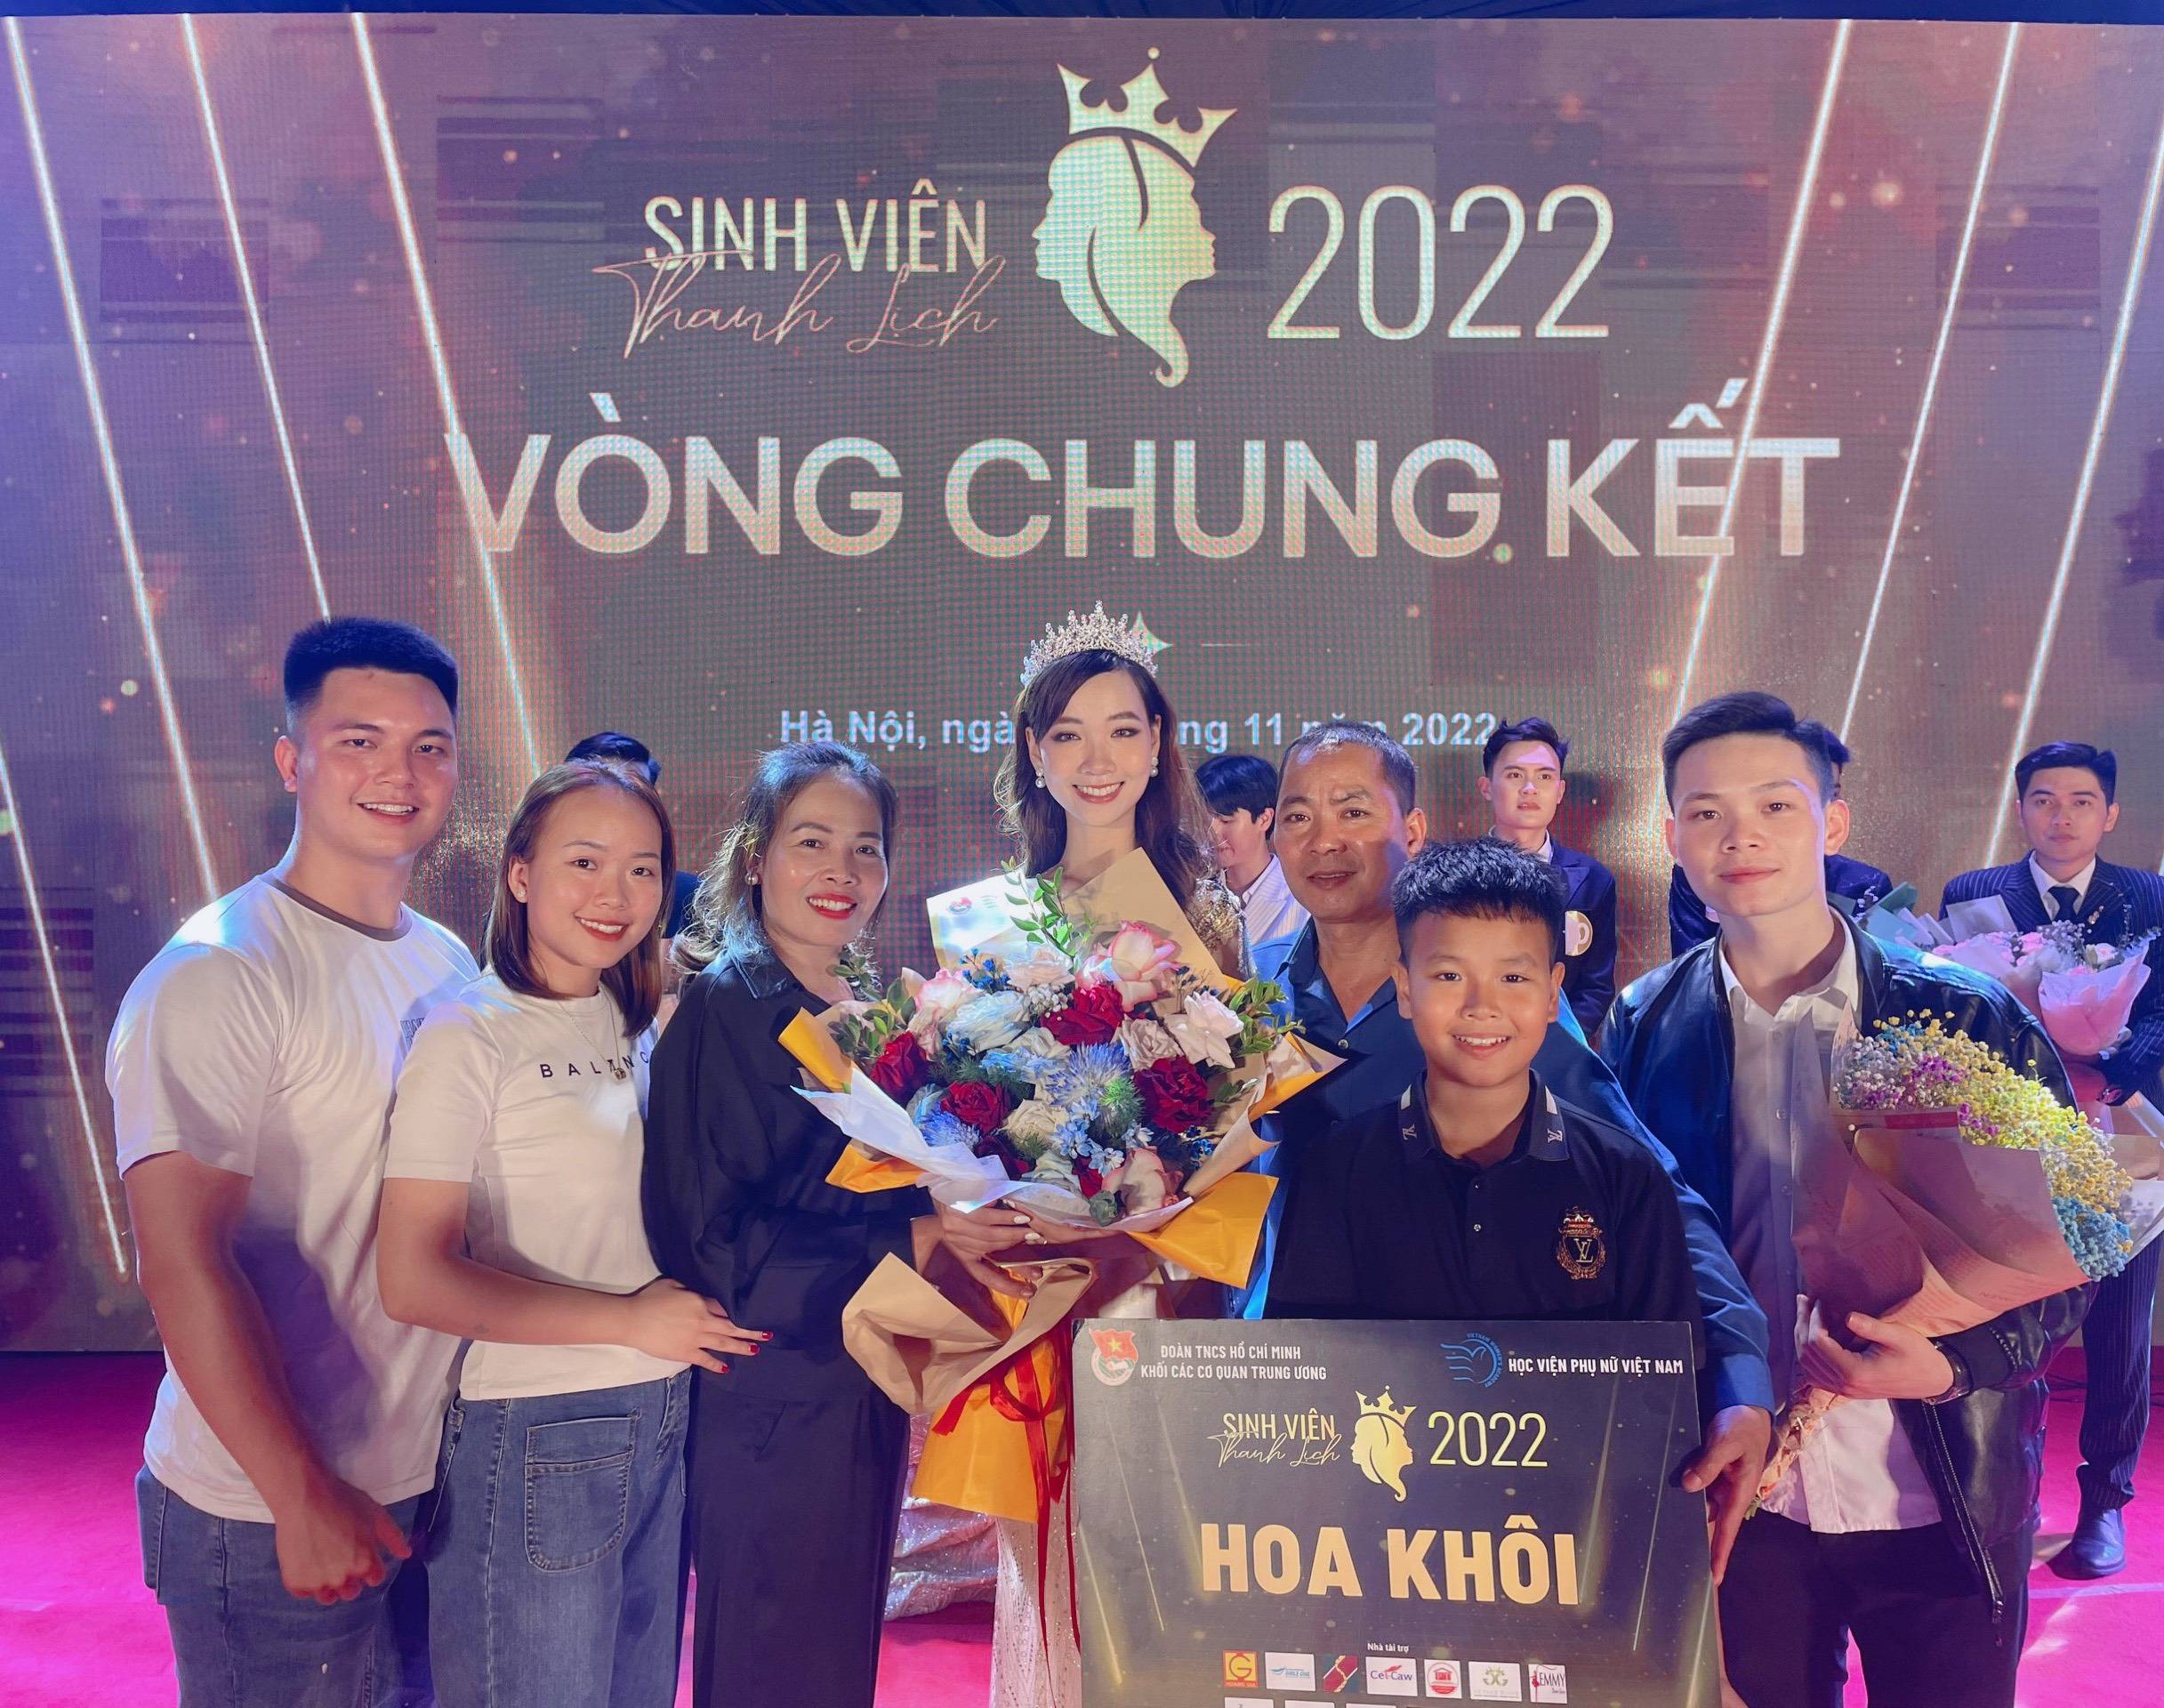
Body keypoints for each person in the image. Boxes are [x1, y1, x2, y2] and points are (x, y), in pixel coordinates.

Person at [1601, 691, 2090, 1708]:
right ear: (1673, 839)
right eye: (1707, 813)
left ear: (1832, 821)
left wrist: (1950, 1366)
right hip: (1744, 1499)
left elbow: (2078, 1241)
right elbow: (1636, 1251)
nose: (1741, 837)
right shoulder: (1643, 1025)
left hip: (1939, 1493)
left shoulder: (1964, 1017)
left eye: (1775, 806)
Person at [1238, 718, 1774, 1582]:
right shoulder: (1248, 992)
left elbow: (1653, 1197)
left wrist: (1739, 1381)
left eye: (1352, 811)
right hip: (1285, 1402)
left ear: (1412, 829)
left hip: (1465, 1421)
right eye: (1298, 816)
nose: (1323, 840)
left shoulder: (1492, 1015)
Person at [107, 618, 474, 1707]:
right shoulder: (220, 973)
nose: (399, 774)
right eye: (359, 742)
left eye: (429, 747)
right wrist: (298, 1490)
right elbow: (181, 1260)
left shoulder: (446, 961)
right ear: (291, 760)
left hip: (420, 1483)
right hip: (262, 1505)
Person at [640, 742, 1026, 1708]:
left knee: (833, 1660)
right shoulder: (727, 1008)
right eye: (811, 842)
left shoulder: (864, 1015)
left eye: (866, 848)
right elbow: (711, 1244)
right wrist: (919, 1241)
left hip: (857, 1385)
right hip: (770, 1400)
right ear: (756, 858)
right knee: (773, 1664)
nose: (841, 871)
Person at [376, 761, 749, 1706]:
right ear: (520, 873)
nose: (614, 894)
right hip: (537, 1422)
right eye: (584, 862)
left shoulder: (633, 1022)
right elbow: (412, 1278)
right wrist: (629, 1321)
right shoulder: (467, 1033)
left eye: (641, 869)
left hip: (664, 1409)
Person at [953, 608, 1246, 1708]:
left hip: (1154, 1281)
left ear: (1159, 745)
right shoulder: (991, 921)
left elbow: (1235, 1102)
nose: (1097, 759)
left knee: (1150, 1549)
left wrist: (1150, 1229)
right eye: (1068, 735)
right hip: (1032, 1280)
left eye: (1124, 731)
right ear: (1034, 754)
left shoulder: (1206, 918)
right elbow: (960, 1107)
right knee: (1046, 1543)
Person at [1268, 837, 1701, 1358]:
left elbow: (1669, 1377)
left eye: (1513, 977)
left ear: (1551, 993)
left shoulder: (1625, 1175)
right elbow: (1304, 1377)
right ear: (1405, 988)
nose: (1481, 1006)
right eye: (1449, 976)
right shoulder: (1334, 1171)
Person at [1942, 739, 2164, 1580]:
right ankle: (2001, 1493)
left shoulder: (2150, 896)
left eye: (2079, 801)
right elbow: (1956, 1002)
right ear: (2020, 809)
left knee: (2119, 1324)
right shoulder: (1973, 895)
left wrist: (2115, 1064)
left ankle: (2104, 1502)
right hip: (2013, 1138)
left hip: (2122, 1127)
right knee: (2004, 1315)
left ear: (2108, 814)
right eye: (2042, 800)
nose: (2060, 816)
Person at [1476, 717, 1616, 1038]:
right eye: (1514, 775)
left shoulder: (1594, 881)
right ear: (1486, 787)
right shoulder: (1452, 878)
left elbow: (1596, 986)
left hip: (1558, 1048)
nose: (1530, 788)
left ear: (1560, 790)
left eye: (1544, 776)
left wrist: (1557, 1046)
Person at [564, 732, 699, 945]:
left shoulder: (694, 900)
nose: (619, 805)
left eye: (634, 792)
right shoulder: (536, 890)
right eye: (602, 790)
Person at [1197, 751, 1308, 949]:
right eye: (1204, 821)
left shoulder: (1301, 900)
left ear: (1264, 819)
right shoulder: (1194, 894)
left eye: (1226, 821)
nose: (1212, 833)